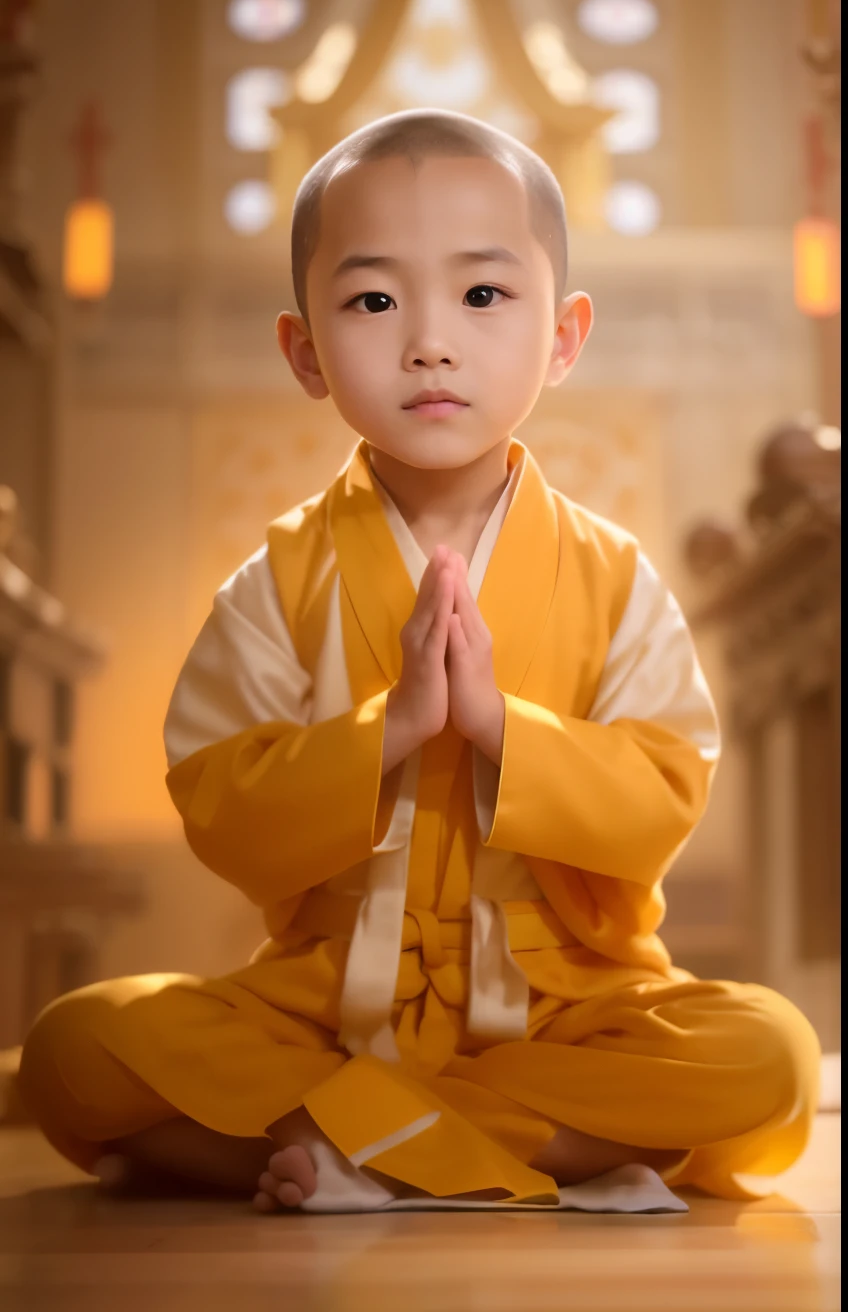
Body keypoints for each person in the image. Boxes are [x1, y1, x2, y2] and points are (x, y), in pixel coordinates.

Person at [19, 111, 819, 1213]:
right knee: (75, 1048)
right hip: (320, 1013)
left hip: (563, 1012)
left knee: (766, 1055)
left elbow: (663, 791)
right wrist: (386, 733)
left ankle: (356, 1152)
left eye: (482, 296)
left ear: (561, 337)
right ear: (303, 350)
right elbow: (216, 802)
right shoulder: (278, 581)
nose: (428, 343)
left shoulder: (612, 575)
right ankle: (485, 1151)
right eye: (373, 300)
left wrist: (502, 733)